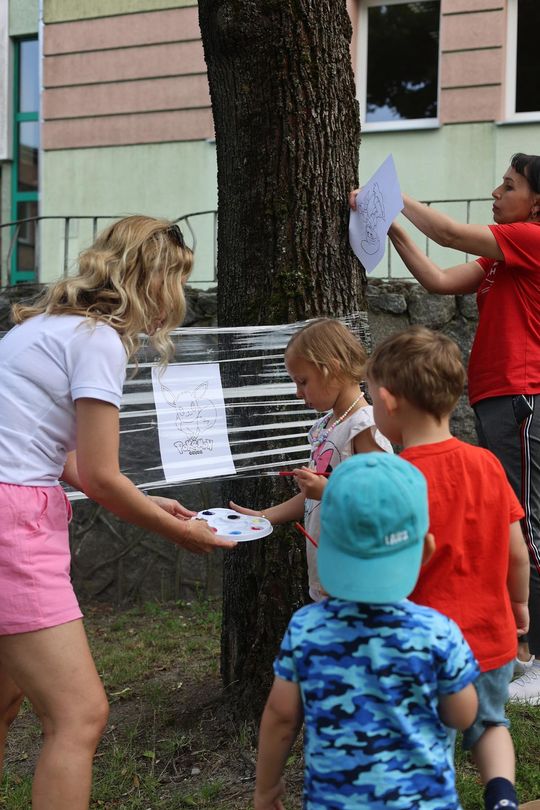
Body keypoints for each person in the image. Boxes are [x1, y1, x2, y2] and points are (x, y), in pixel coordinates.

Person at [0, 215, 236, 810]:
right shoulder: (97, 340)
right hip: (13, 525)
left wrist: (149, 499)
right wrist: (178, 530)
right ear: (153, 280)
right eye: (177, 278)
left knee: (5, 699)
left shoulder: (40, 328)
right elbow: (103, 478)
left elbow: (56, 452)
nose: (178, 295)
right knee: (80, 715)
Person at [351, 152, 540, 700]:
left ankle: (533, 654)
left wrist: (395, 197)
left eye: (508, 186)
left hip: (523, 393)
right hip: (498, 396)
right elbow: (437, 279)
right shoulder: (504, 255)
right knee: (517, 513)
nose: (495, 193)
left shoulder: (531, 237)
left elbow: (453, 234)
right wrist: (390, 226)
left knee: (527, 520)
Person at [254, 453, 479, 810]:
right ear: (425, 552)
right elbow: (463, 715)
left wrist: (266, 789)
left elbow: (281, 717)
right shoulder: (437, 633)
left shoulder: (307, 628)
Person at [367, 326, 530, 810]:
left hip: (420, 649)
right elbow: (516, 551)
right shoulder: (487, 464)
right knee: (490, 725)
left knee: (425, 735)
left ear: (388, 400)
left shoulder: (393, 477)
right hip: (489, 637)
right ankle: (501, 796)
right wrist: (518, 603)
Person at [231, 318, 391, 601]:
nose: (298, 392)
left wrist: (326, 490)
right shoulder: (328, 426)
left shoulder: (364, 426)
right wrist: (263, 517)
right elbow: (312, 497)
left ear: (333, 367)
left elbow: (381, 499)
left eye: (303, 381)